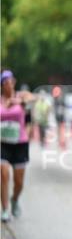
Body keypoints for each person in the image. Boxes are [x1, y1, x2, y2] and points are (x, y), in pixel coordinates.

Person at [1, 71, 34, 221]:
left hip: (20, 143)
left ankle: (14, 199)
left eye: (10, 81)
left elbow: (35, 99)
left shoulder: (22, 97)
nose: (8, 84)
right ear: (2, 85)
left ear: (14, 82)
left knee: (19, 182)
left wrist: (19, 102)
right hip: (3, 143)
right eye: (5, 82)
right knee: (3, 172)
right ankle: (5, 209)